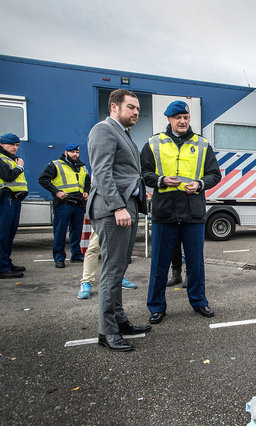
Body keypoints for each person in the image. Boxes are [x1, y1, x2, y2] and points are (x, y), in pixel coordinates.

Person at [141, 100, 221, 324]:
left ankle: (199, 301)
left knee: (196, 263)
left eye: (186, 117)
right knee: (159, 264)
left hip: (193, 211)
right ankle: (156, 306)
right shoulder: (154, 143)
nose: (183, 121)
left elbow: (215, 175)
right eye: (178, 118)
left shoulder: (202, 144)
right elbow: (143, 173)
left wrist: (199, 184)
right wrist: (161, 180)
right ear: (169, 119)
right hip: (164, 211)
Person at [87, 89, 151, 351]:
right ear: (114, 107)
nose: (136, 112)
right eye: (131, 107)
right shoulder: (104, 130)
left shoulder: (122, 133)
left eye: (137, 108)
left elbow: (125, 172)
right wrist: (117, 207)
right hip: (114, 210)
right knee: (112, 270)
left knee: (120, 266)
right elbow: (101, 173)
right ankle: (107, 331)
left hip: (127, 208)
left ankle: (119, 320)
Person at [38, 144, 90, 268]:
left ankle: (76, 255)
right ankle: (59, 258)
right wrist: (56, 192)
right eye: (72, 152)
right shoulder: (56, 164)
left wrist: (87, 191)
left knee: (76, 231)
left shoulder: (82, 166)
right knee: (60, 231)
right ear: (66, 152)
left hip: (78, 203)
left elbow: (87, 181)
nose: (75, 154)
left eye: (77, 152)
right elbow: (43, 179)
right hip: (63, 203)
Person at [76, 229, 138, 299]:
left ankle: (118, 277)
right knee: (94, 247)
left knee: (118, 247)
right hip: (101, 219)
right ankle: (86, 281)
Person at [0, 133, 28, 279]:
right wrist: (19, 167)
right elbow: (8, 176)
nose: (15, 147)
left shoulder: (10, 159)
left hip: (13, 200)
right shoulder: (2, 158)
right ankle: (2, 267)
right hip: (5, 199)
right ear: (2, 144)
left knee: (9, 235)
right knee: (3, 235)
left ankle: (6, 262)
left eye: (17, 145)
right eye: (11, 144)